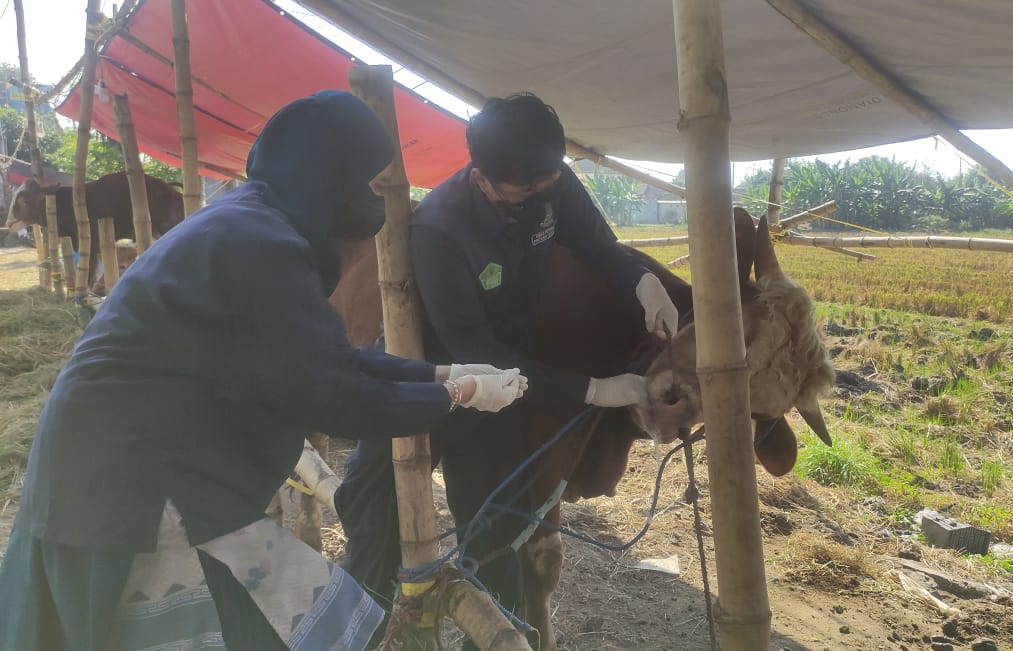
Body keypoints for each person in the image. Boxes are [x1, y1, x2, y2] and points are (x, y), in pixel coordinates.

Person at [0, 90, 526, 651]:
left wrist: (440, 375)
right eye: (367, 185)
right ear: (328, 180)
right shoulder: (260, 245)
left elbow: (322, 358)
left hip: (134, 461)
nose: (374, 202)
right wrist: (460, 396)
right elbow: (333, 395)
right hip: (136, 481)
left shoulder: (250, 223)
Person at [335, 92, 680, 646]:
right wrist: (592, 389)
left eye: (550, 180)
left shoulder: (551, 183)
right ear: (482, 176)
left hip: (499, 393)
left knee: (499, 537)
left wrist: (642, 281)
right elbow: (476, 350)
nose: (543, 193)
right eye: (527, 187)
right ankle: (360, 632)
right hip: (426, 378)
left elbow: (596, 245)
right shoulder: (441, 229)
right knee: (372, 518)